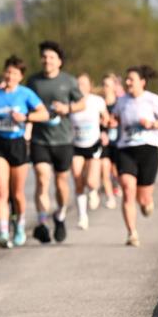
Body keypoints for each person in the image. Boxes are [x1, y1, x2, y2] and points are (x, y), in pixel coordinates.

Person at [0, 56, 48, 248]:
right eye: (8, 72)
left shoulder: (26, 94)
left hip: (17, 143)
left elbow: (44, 114)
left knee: (17, 193)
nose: (10, 76)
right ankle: (3, 231)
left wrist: (25, 117)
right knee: (1, 191)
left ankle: (19, 225)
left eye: (15, 73)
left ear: (21, 77)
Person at [26, 41, 85, 244]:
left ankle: (59, 216)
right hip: (39, 139)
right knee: (42, 179)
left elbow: (82, 103)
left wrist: (67, 109)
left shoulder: (68, 81)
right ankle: (42, 222)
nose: (47, 60)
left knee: (61, 183)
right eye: (44, 56)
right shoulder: (33, 82)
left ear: (59, 61)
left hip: (63, 139)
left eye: (51, 57)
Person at [111, 66, 158, 247]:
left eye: (131, 79)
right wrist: (111, 121)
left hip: (148, 150)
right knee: (128, 189)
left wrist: (152, 124)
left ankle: (147, 203)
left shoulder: (152, 99)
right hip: (126, 149)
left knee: (143, 199)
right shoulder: (121, 101)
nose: (128, 82)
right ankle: (132, 233)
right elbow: (115, 119)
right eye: (127, 79)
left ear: (142, 82)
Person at [69, 73, 108, 230]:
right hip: (76, 144)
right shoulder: (71, 101)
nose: (80, 87)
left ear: (90, 86)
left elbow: (106, 118)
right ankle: (82, 216)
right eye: (78, 84)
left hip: (93, 144)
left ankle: (94, 191)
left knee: (91, 181)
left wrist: (105, 128)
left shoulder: (97, 101)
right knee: (78, 180)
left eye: (84, 84)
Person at [100, 73, 122, 210]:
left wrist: (115, 122)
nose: (105, 88)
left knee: (115, 171)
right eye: (103, 85)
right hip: (104, 142)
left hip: (118, 141)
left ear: (114, 87)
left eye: (108, 85)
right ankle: (110, 197)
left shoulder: (120, 102)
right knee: (104, 169)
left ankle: (117, 184)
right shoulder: (99, 103)